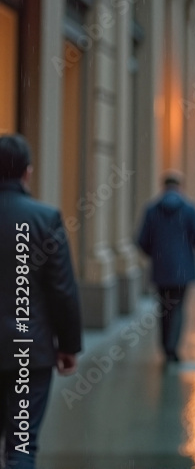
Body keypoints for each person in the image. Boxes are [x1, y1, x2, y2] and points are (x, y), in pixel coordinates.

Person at [0, 134, 82, 469]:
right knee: (21, 445)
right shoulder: (44, 218)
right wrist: (69, 345)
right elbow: (61, 288)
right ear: (27, 173)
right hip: (27, 351)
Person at [137, 171, 195, 363]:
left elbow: (142, 240)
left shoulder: (152, 210)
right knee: (178, 307)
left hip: (160, 268)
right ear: (180, 187)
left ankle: (164, 346)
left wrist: (155, 255)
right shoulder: (189, 209)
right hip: (183, 269)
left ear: (163, 187)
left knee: (163, 307)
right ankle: (173, 347)